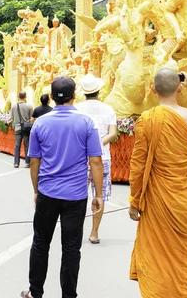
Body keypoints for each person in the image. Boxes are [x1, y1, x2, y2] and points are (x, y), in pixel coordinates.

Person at [128, 69, 187, 298]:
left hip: (157, 202)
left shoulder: (147, 120)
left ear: (153, 89)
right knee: (183, 258)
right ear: (179, 88)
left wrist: (134, 202)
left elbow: (137, 167)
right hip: (185, 202)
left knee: (155, 258)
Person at [20, 76, 104, 298]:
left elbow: (34, 162)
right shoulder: (86, 123)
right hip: (75, 196)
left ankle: (35, 292)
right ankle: (69, 295)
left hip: (48, 192)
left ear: (53, 96)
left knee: (40, 243)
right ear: (74, 95)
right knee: (71, 249)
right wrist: (98, 194)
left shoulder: (41, 123)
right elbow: (95, 161)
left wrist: (37, 190)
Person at [75, 74, 117, 244]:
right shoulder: (108, 109)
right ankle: (94, 232)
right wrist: (99, 143)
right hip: (103, 157)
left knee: (78, 196)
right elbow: (113, 134)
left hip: (80, 159)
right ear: (99, 91)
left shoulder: (76, 109)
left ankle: (76, 232)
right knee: (99, 196)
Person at [11, 91, 33, 168]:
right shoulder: (29, 106)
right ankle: (27, 162)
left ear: (18, 96)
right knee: (27, 145)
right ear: (25, 96)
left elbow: (11, 117)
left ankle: (16, 163)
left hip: (17, 127)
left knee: (17, 145)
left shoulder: (14, 106)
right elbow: (31, 118)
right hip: (26, 128)